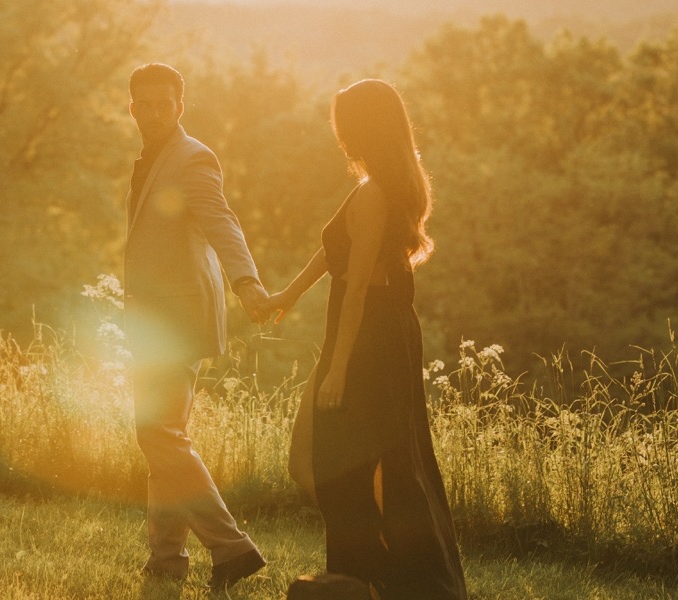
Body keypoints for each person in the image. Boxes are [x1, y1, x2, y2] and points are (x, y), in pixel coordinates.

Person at [266, 79, 468, 600]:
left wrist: (338, 366)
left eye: (342, 121)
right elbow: (337, 253)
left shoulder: (376, 192)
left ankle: (381, 582)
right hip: (365, 333)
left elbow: (358, 289)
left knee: (360, 462)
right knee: (321, 460)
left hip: (367, 338)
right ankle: (374, 577)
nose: (337, 133)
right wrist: (286, 295)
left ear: (362, 126)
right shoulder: (374, 186)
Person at [123, 62, 271, 591]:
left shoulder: (193, 157)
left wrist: (247, 282)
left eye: (167, 104)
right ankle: (167, 559)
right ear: (133, 107)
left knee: (157, 433)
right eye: (147, 104)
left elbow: (221, 221)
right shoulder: (150, 158)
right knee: (166, 436)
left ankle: (231, 547)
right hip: (153, 319)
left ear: (180, 107)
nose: (156, 113)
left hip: (179, 319)